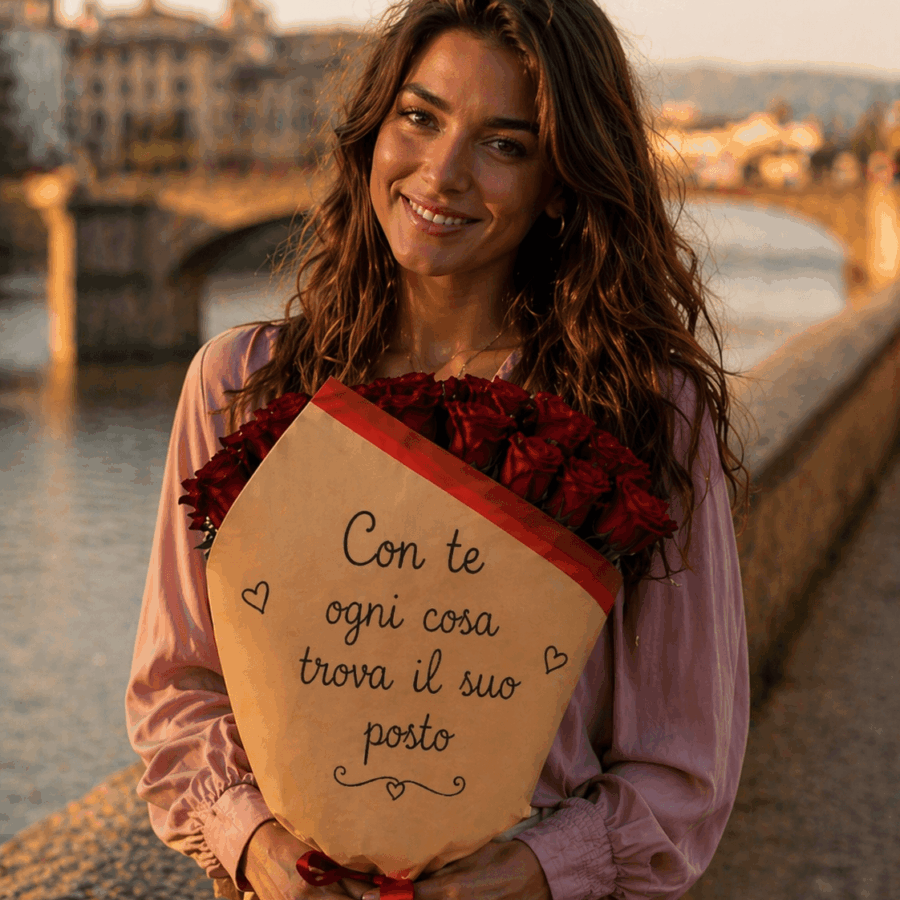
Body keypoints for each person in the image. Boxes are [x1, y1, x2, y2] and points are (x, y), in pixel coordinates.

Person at [125, 1, 750, 899]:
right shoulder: (239, 387)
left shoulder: (645, 409)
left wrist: (538, 869)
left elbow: (686, 763)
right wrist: (257, 845)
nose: (443, 172)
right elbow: (176, 688)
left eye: (504, 144)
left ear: (561, 180)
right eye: (419, 117)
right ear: (372, 133)